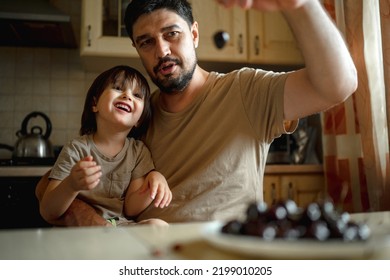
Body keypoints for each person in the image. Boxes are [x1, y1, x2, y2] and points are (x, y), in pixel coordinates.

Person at [36, 0, 357, 225]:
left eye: (171, 34)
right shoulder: (135, 116)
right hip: (147, 257)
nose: (161, 51)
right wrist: (92, 220)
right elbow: (48, 188)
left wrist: (300, 5)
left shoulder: (245, 89)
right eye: (146, 42)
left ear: (194, 34)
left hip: (226, 255)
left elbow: (337, 85)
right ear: (137, 50)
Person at [39, 65, 172, 227]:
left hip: (115, 225)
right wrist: (71, 185)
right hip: (76, 228)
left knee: (158, 226)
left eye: (137, 95)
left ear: (140, 119)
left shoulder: (138, 152)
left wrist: (152, 186)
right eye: (117, 88)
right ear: (94, 103)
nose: (127, 96)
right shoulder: (76, 148)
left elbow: (130, 209)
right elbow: (47, 211)